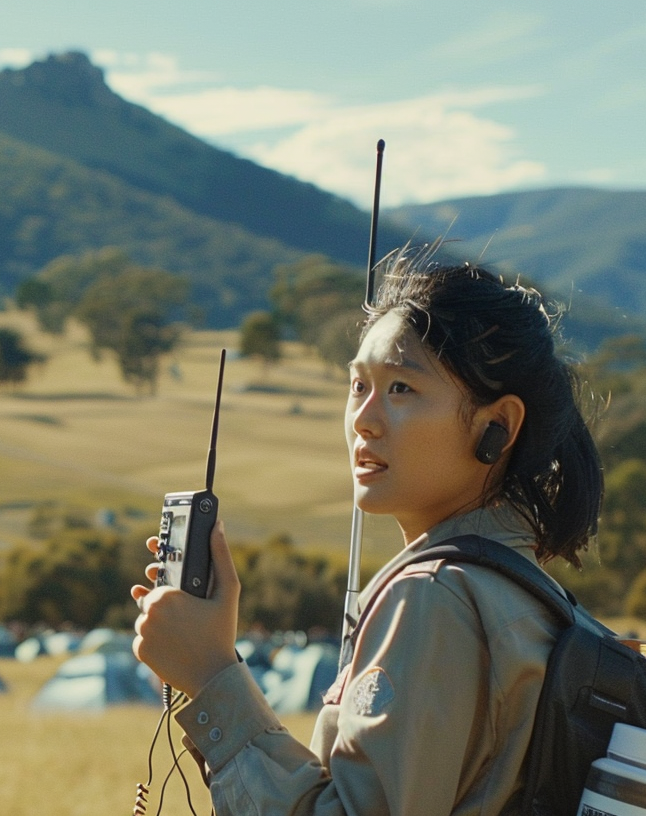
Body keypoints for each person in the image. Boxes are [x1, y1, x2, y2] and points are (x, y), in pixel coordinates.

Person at [131, 251, 604, 815]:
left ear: (496, 425)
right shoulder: (528, 597)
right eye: (359, 386)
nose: (364, 419)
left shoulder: (434, 596)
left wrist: (211, 675)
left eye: (401, 387)